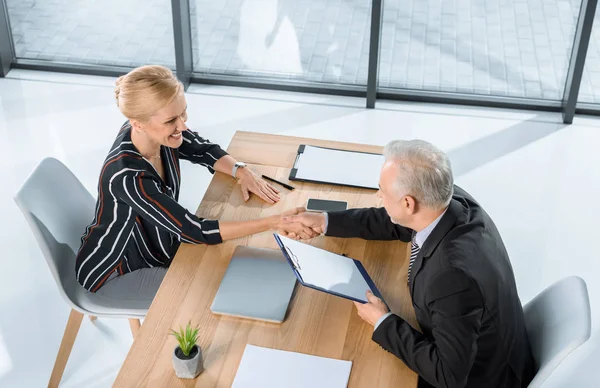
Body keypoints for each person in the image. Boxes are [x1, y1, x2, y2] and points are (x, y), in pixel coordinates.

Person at [282, 139, 535, 388]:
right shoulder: (448, 199)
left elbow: (448, 376)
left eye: (382, 190)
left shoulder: (452, 278)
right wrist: (325, 221)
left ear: (407, 202)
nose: (378, 196)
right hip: (486, 344)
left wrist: (384, 322)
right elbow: (397, 221)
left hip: (485, 378)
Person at [75, 65, 312, 295]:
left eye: (183, 113)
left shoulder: (155, 135)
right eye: (171, 121)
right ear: (137, 123)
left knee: (237, 265)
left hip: (157, 246)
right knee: (215, 289)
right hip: (115, 270)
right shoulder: (128, 177)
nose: (183, 126)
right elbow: (194, 231)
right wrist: (275, 222)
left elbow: (202, 149)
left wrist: (242, 171)